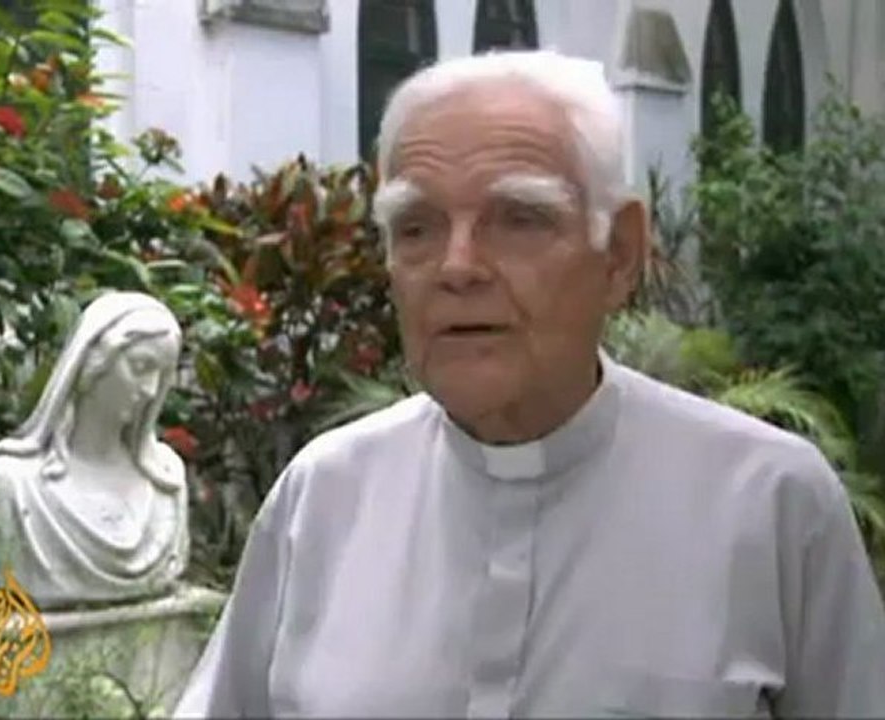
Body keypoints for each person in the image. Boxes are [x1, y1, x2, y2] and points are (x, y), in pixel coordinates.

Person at [174, 51, 885, 718]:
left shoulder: (770, 502)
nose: (457, 267)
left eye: (519, 219)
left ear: (620, 254)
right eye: (415, 227)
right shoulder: (323, 497)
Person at [0, 291, 189, 607]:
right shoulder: (11, 486)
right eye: (140, 366)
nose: (151, 390)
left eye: (162, 375)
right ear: (92, 362)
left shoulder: (167, 482)